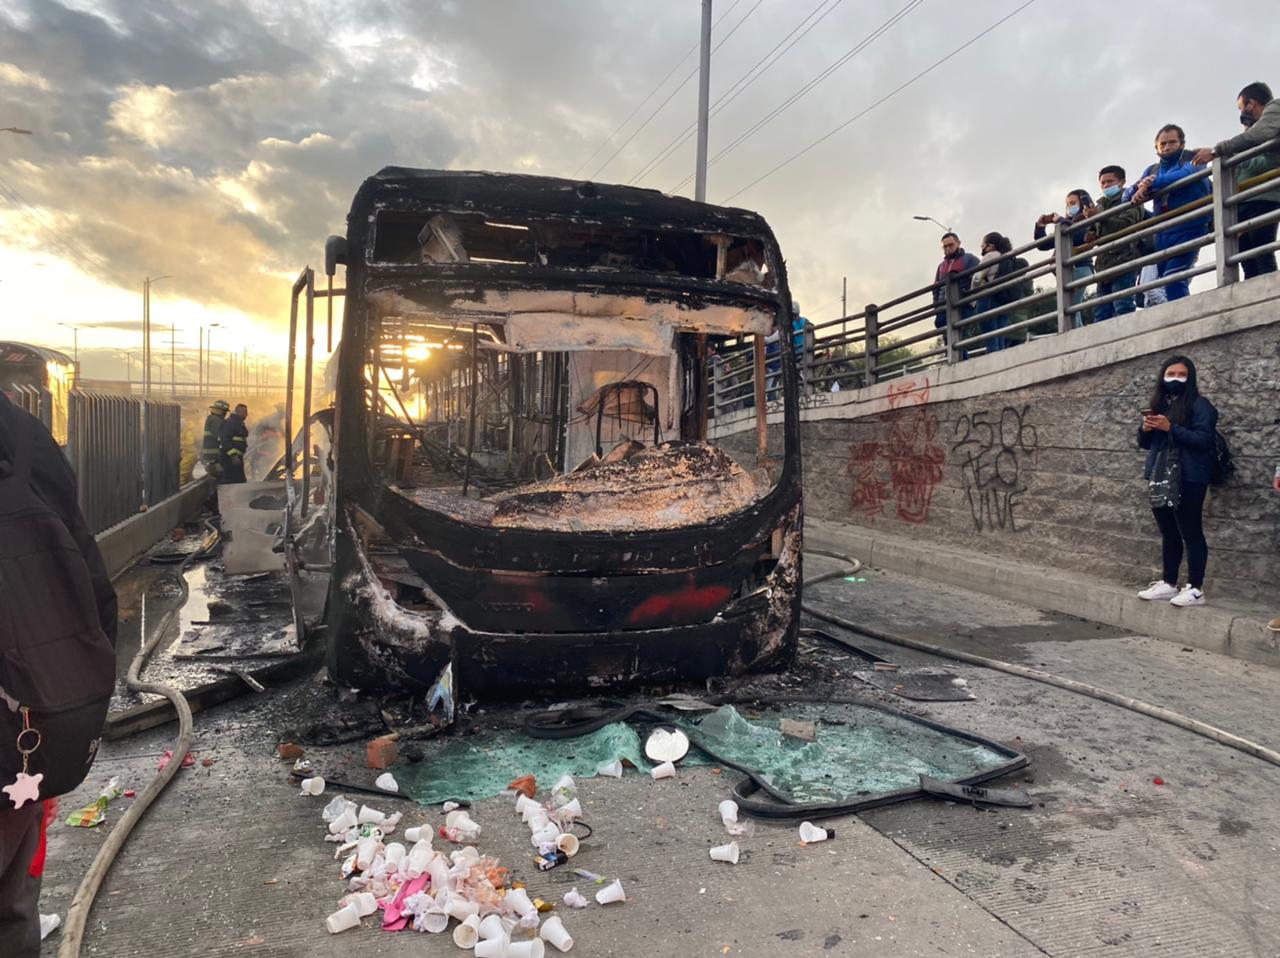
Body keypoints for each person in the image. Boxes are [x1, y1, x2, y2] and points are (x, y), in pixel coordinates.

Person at [0, 392, 116, 957]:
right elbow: (88, 581)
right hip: (25, 718)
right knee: (13, 901)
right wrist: (77, 700)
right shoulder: (22, 436)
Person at [1136, 355, 1218, 608]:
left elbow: (1204, 439)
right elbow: (1145, 444)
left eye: (1182, 374)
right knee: (1168, 530)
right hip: (1161, 474)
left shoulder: (1200, 405)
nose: (1175, 378)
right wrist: (1145, 430)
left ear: (1190, 378)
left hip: (1190, 475)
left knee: (1190, 530)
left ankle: (1195, 588)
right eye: (1171, 374)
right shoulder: (1160, 404)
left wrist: (1170, 427)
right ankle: (1169, 581)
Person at [1192, 82, 1280, 279]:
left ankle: (1271, 290)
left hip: (1266, 197)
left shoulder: (1275, 107)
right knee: (1247, 254)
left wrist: (1216, 151)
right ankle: (1256, 293)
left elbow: (1258, 137)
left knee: (1261, 248)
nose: (1242, 114)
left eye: (1242, 108)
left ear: (1251, 103)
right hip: (1247, 200)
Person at [1129, 125, 1212, 301]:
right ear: (1156, 147)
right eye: (1163, 144)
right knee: (1166, 280)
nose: (1167, 147)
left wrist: (1151, 184)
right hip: (1163, 234)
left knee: (1174, 278)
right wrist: (1139, 188)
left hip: (1190, 228)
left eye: (1172, 142)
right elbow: (1127, 196)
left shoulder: (1192, 158)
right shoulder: (1152, 170)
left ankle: (1185, 314)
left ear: (1182, 144)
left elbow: (1183, 175)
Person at [1083, 166, 1144, 321]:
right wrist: (1091, 231)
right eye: (1103, 183)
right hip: (1103, 264)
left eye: (1110, 181)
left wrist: (1100, 216)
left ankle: (1130, 334)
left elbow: (1126, 225)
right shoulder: (1100, 204)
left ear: (1122, 182)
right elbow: (1095, 230)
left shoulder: (1131, 198)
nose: (1106, 185)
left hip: (1125, 258)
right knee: (1101, 312)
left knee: (1123, 305)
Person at [1034, 189, 1095, 326]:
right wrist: (1040, 227)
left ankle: (1076, 334)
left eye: (1073, 203)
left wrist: (1061, 221)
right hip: (1067, 270)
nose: (1069, 207)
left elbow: (1080, 236)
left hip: (1079, 267)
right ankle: (1078, 332)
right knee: (1071, 307)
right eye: (1067, 204)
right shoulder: (1067, 224)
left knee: (1070, 307)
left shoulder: (1086, 218)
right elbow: (1043, 245)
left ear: (1082, 203)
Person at [969, 232, 1019, 352]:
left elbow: (977, 277)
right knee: (1000, 335)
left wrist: (973, 294)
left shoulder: (991, 256)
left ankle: (993, 358)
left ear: (990, 246)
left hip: (988, 298)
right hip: (1003, 298)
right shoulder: (1007, 256)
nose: (982, 247)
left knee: (990, 335)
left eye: (983, 245)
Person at [932, 232, 980, 350]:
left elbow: (978, 279)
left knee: (961, 336)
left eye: (951, 245)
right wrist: (936, 306)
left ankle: (962, 359)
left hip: (963, 304)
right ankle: (952, 358)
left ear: (958, 243)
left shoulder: (970, 259)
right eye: (945, 246)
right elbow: (936, 287)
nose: (948, 248)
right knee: (947, 339)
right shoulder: (941, 266)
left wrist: (971, 300)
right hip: (944, 306)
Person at [218, 402, 249, 484]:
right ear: (238, 412)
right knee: (230, 480)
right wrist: (233, 456)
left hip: (236, 458)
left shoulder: (238, 423)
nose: (246, 414)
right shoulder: (230, 423)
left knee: (239, 480)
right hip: (229, 459)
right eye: (245, 412)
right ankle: (225, 492)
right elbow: (225, 441)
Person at [201, 399, 229, 481]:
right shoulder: (216, 420)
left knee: (217, 477)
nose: (226, 414)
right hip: (215, 456)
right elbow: (220, 436)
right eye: (225, 411)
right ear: (220, 411)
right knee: (220, 477)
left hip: (212, 456)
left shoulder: (212, 419)